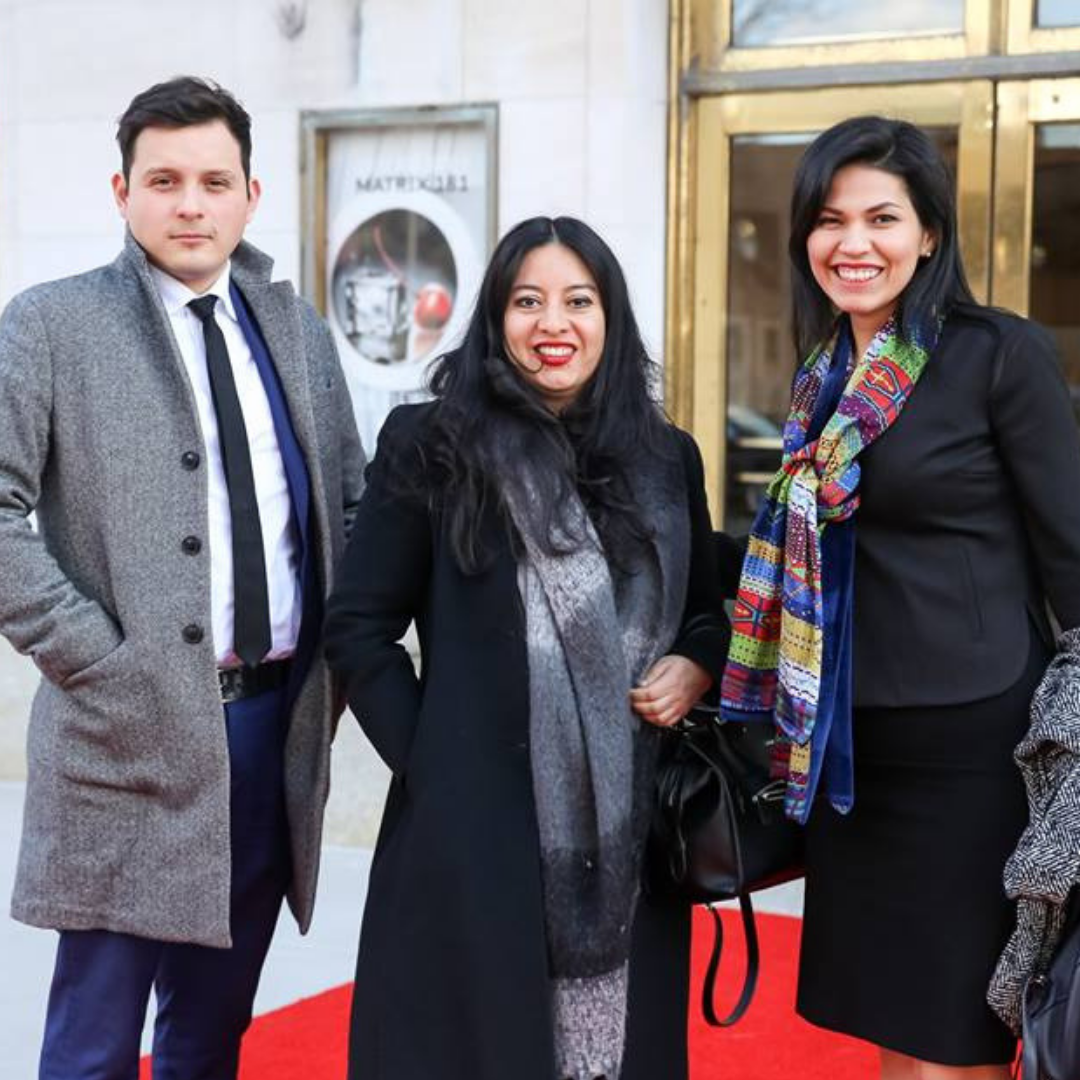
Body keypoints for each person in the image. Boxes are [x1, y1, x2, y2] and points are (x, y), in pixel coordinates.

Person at [0, 76, 365, 1078]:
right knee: (93, 1044)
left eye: (213, 180)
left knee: (211, 1034)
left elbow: (349, 506)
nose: (190, 203)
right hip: (122, 733)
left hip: (269, 727)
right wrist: (100, 662)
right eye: (164, 180)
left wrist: (339, 674)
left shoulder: (299, 335)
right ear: (123, 192)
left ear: (252, 194)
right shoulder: (52, 326)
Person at [324, 215, 729, 1080]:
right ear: (495, 320)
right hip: (474, 836)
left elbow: (704, 611)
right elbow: (358, 627)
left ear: (610, 321)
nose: (554, 324)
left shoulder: (666, 458)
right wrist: (435, 761)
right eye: (528, 301)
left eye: (579, 301)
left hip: (632, 832)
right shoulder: (432, 446)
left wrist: (696, 665)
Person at [720, 115, 1080, 1079]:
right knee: (894, 1023)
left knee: (960, 1032)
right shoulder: (821, 381)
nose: (854, 243)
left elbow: (1074, 561)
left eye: (883, 217)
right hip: (848, 750)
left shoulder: (999, 355)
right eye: (830, 220)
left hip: (975, 751)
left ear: (929, 233)